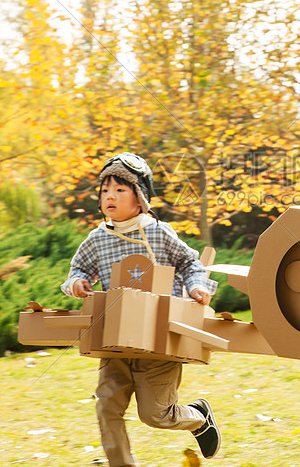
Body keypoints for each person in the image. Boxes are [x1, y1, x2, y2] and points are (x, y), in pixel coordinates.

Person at [60, 152, 221, 466]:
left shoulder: (158, 233)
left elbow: (191, 263)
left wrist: (197, 286)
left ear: (141, 198)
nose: (110, 196)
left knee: (156, 415)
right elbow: (77, 270)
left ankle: (197, 417)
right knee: (107, 406)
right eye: (105, 190)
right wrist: (77, 283)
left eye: (120, 189)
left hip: (159, 341)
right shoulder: (97, 239)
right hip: (115, 338)